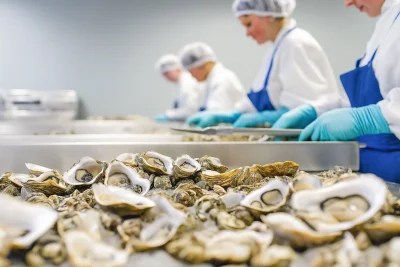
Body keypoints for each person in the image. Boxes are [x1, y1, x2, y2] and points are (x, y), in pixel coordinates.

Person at [187, 0, 347, 129]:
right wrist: (234, 114)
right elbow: (263, 97)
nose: (247, 33)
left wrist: (264, 117)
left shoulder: (296, 43)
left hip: (305, 139)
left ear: (269, 15)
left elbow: (303, 108)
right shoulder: (277, 47)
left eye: (248, 24)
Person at [296, 0, 400, 182]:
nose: (348, 3)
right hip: (375, 165)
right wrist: (317, 110)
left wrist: (368, 118)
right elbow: (365, 96)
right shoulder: (386, 23)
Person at [180, 42, 247, 126]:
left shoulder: (221, 80)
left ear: (202, 65)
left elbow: (217, 116)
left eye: (191, 71)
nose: (191, 76)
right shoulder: (211, 81)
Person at [154, 54, 201, 122]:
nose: (166, 78)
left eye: (167, 73)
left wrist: (168, 115)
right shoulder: (180, 83)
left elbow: (190, 111)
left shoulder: (187, 82)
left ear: (177, 69)